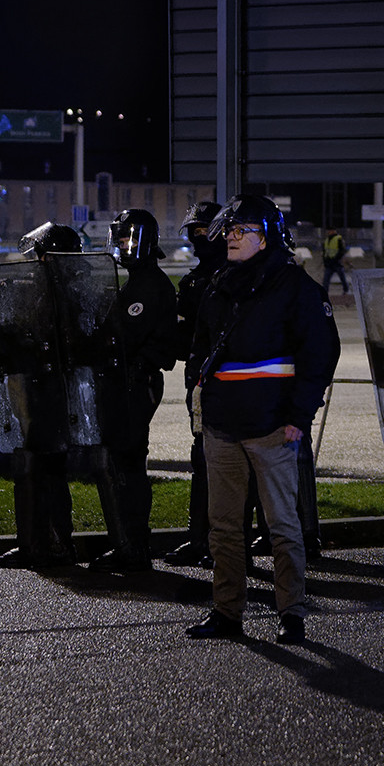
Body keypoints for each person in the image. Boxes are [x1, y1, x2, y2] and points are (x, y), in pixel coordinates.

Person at [185, 195, 340, 644]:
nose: (231, 238)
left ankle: (291, 613)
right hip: (222, 426)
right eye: (229, 231)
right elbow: (200, 346)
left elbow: (320, 355)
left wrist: (298, 416)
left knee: (283, 527)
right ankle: (226, 612)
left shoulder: (296, 287)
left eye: (242, 230)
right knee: (225, 528)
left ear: (266, 236)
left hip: (273, 426)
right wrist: (205, 402)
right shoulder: (220, 284)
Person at [90, 209, 179, 571]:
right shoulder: (134, 282)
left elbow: (123, 338)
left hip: (135, 383)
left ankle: (134, 547)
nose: (123, 245)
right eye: (120, 238)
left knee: (127, 464)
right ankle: (127, 542)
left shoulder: (148, 285)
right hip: (125, 382)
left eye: (128, 238)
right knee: (121, 463)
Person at [0, 222, 88, 570]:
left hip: (50, 390)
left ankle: (50, 544)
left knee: (46, 467)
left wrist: (15, 334)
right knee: (36, 465)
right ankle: (39, 542)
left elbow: (42, 336)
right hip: (38, 387)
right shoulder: (49, 287)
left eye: (40, 254)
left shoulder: (61, 291)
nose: (35, 259)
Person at [165, 200, 226, 568]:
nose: (199, 238)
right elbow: (182, 339)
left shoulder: (235, 278)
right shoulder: (192, 282)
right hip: (198, 382)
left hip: (228, 383)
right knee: (201, 458)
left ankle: (223, 544)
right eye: (195, 232)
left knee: (227, 463)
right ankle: (199, 538)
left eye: (205, 231)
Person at [322, 227, 350, 294]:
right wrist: (325, 261)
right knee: (326, 279)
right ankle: (324, 293)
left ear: (333, 231)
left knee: (342, 278)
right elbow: (325, 251)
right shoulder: (326, 240)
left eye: (329, 230)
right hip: (329, 263)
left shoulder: (338, 239)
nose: (328, 232)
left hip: (337, 263)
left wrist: (335, 259)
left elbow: (341, 251)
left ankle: (346, 290)